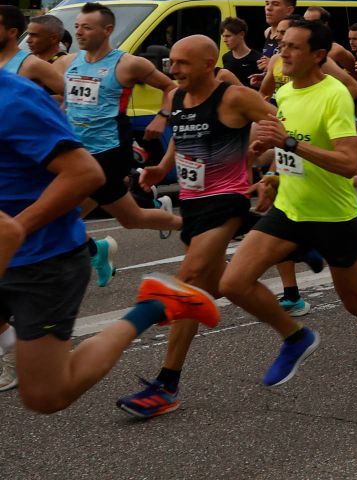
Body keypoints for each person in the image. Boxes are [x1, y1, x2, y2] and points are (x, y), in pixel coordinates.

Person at [0, 68, 221, 413]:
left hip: (41, 260)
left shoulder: (14, 98)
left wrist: (16, 230)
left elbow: (85, 173)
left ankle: (153, 306)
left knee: (46, 396)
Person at [219, 20, 357, 401]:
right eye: (282, 46)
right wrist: (271, 172)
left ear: (318, 56)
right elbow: (282, 149)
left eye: (293, 47)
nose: (283, 53)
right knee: (233, 282)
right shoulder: (285, 94)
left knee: (354, 300)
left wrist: (290, 142)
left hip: (333, 216)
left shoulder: (334, 95)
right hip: (291, 209)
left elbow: (348, 162)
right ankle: (296, 337)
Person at [120, 34, 278, 418]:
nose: (173, 70)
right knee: (223, 287)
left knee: (185, 284)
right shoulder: (176, 97)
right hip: (194, 202)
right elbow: (183, 135)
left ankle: (166, 384)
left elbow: (276, 125)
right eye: (171, 62)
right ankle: (294, 330)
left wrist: (271, 171)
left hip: (226, 200)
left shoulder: (233, 95)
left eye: (183, 63)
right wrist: (162, 166)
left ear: (209, 64)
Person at [58, 1, 181, 282]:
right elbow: (64, 100)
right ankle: (194, 226)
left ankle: (93, 252)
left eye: (87, 27)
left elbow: (170, 88)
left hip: (109, 153)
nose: (79, 32)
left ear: (107, 29)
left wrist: (162, 117)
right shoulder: (68, 62)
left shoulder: (127, 63)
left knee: (59, 215)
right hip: (78, 152)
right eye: (76, 26)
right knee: (130, 217)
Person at [0, 4, 65, 96]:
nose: (29, 40)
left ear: (12, 32)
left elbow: (71, 96)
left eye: (34, 35)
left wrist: (44, 104)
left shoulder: (32, 65)